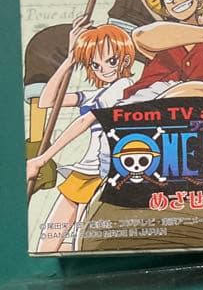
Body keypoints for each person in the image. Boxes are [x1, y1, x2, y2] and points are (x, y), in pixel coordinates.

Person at [25, 18, 136, 251]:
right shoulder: (98, 93)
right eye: (95, 64)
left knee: (79, 243)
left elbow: (84, 121)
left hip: (109, 171)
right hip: (88, 169)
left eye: (111, 61)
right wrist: (70, 59)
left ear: (125, 59)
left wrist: (42, 159)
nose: (104, 69)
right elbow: (47, 101)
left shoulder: (124, 87)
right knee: (49, 242)